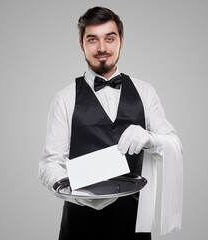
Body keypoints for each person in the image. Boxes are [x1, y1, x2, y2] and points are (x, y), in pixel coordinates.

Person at [39, 6, 183, 240]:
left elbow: (175, 145)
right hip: (78, 226)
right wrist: (75, 192)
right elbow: (49, 164)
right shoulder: (64, 98)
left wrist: (150, 138)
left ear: (121, 41)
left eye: (110, 38)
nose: (102, 48)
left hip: (134, 225)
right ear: (81, 44)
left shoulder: (145, 92)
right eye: (92, 39)